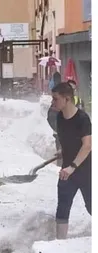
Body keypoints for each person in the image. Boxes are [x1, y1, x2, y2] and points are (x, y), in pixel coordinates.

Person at [51, 82, 91, 240]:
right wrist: (64, 151)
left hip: (86, 171)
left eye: (55, 99)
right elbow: (71, 140)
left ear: (67, 99)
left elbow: (87, 146)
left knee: (92, 206)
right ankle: (60, 245)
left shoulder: (82, 119)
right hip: (67, 171)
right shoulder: (60, 117)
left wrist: (72, 167)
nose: (52, 102)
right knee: (62, 208)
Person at [47, 77, 84, 166]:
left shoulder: (79, 102)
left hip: (76, 136)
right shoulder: (58, 102)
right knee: (62, 153)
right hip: (59, 133)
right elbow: (51, 117)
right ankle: (59, 167)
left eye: (73, 88)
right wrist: (59, 129)